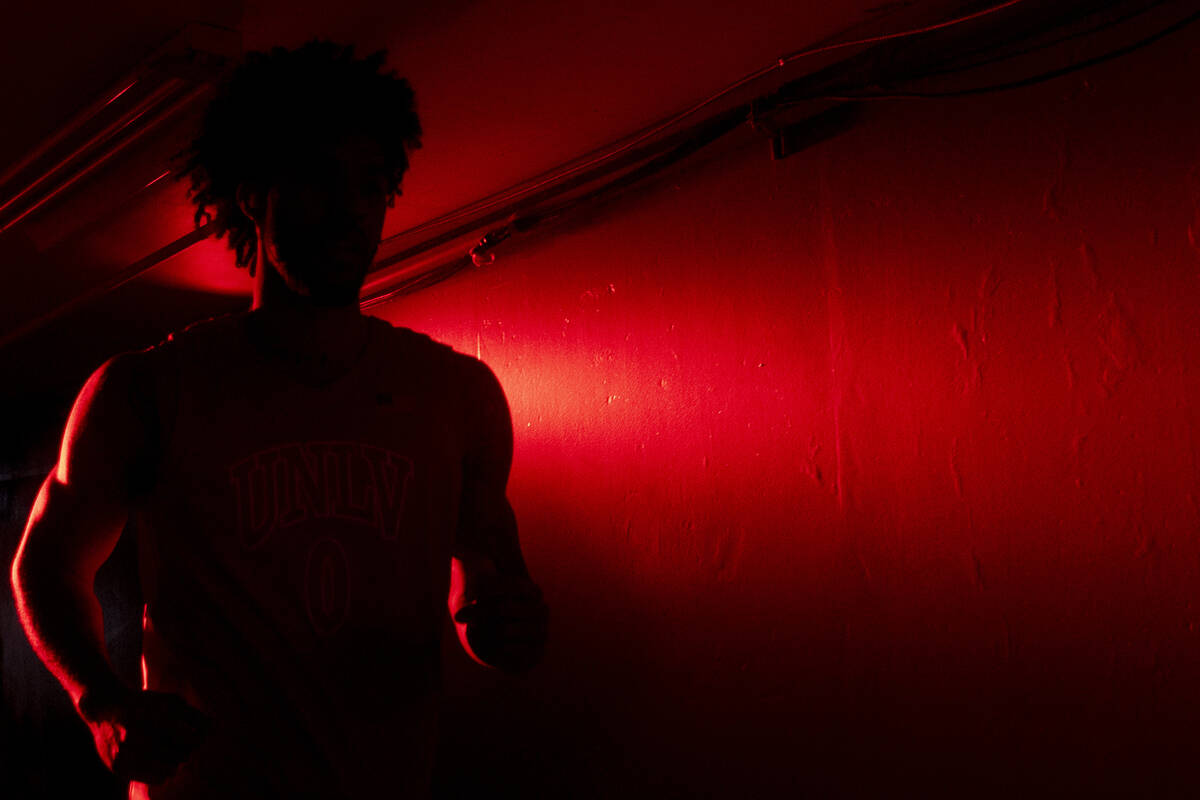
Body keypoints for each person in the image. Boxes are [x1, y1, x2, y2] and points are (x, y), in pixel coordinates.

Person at [9, 40, 548, 799]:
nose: (352, 211)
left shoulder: (458, 395)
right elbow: (48, 560)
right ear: (253, 193)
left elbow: (490, 596)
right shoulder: (149, 389)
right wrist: (102, 703)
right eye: (320, 181)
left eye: (371, 185)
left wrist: (509, 627)